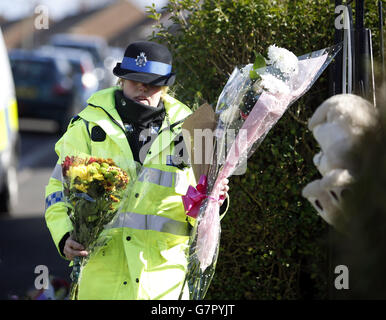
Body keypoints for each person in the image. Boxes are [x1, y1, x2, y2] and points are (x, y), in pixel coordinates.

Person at [45, 41, 230, 300]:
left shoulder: (192, 130)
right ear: (121, 81)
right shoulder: (88, 126)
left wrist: (216, 201)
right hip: (101, 282)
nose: (142, 88)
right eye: (134, 80)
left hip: (162, 284)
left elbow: (205, 202)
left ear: (166, 86)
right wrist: (64, 235)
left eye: (152, 83)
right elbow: (57, 188)